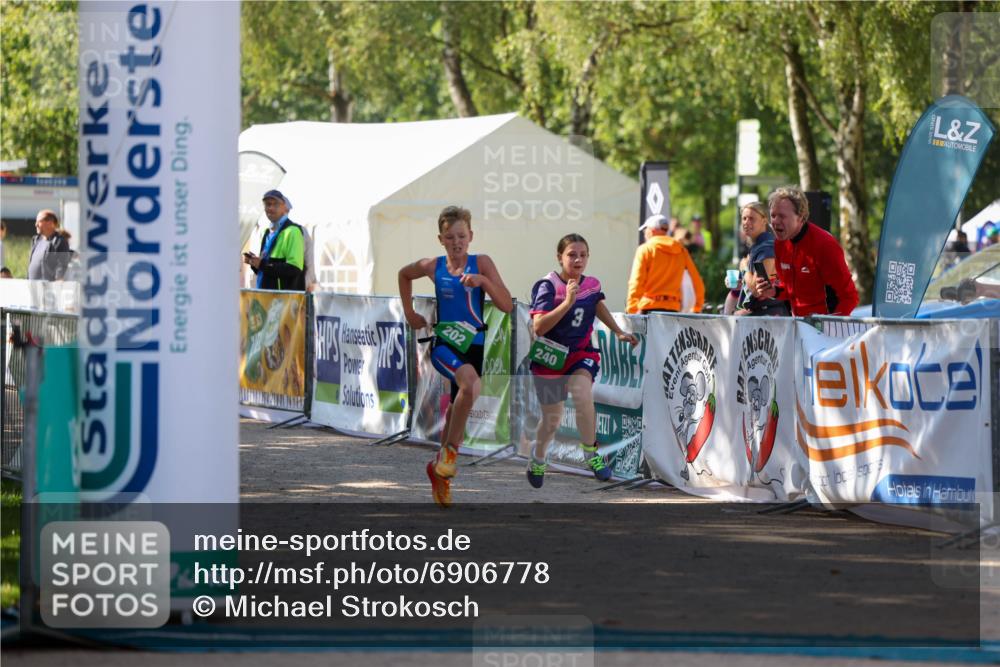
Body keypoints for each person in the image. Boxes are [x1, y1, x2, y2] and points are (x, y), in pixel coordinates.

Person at [398, 205, 512, 507]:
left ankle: (439, 471)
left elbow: (506, 305)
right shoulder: (432, 266)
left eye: (461, 236)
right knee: (471, 386)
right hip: (445, 344)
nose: (456, 242)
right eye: (450, 237)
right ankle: (449, 454)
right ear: (441, 239)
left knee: (464, 395)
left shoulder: (482, 262)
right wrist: (409, 312)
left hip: (473, 345)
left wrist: (484, 282)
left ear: (471, 236)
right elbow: (403, 275)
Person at [526, 234, 638, 488]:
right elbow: (539, 327)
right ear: (559, 257)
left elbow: (598, 306)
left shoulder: (592, 284)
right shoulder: (548, 286)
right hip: (550, 358)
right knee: (552, 419)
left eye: (583, 255)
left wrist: (618, 330)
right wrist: (567, 302)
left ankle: (591, 452)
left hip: (580, 353)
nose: (578, 260)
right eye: (572, 255)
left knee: (581, 391)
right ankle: (538, 457)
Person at [754, 186, 858, 317]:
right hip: (798, 325)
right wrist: (773, 291)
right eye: (773, 215)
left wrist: (830, 327)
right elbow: (789, 289)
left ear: (801, 217)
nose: (775, 221)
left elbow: (850, 297)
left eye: (781, 216)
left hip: (825, 327)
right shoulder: (780, 243)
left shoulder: (825, 245)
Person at [626, 214, 705, 314]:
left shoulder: (645, 250)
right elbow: (696, 281)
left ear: (651, 230)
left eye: (645, 230)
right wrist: (697, 307)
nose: (645, 233)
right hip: (673, 309)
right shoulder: (681, 251)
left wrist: (632, 310)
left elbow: (636, 281)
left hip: (649, 308)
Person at [243, 189, 305, 291]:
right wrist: (254, 263)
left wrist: (262, 264)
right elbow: (267, 270)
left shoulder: (293, 231)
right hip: (265, 298)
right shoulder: (267, 232)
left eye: (275, 204)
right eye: (267, 204)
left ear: (284, 207)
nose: (270, 208)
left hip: (282, 302)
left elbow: (295, 269)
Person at [738, 201, 790, 316]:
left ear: (764, 220)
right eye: (744, 218)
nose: (746, 222)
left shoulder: (767, 249)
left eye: (752, 219)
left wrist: (744, 268)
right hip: (764, 313)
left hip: (770, 315)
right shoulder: (758, 246)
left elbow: (757, 290)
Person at [28, 209, 72, 281]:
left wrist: (56, 287)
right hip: (33, 288)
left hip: (48, 289)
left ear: (49, 222)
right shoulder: (36, 240)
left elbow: (62, 267)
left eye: (39, 221)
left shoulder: (60, 242)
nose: (36, 224)